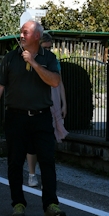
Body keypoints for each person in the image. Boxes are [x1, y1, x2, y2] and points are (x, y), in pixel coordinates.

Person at [0, 20, 66, 216]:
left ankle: (50, 205)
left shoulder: (49, 58)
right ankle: (18, 203)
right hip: (16, 117)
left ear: (37, 36)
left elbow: (55, 81)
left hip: (41, 117)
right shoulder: (10, 58)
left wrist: (34, 63)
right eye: (21, 32)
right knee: (15, 161)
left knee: (47, 160)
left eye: (26, 32)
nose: (21, 35)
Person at [26, 32, 68, 188]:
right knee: (32, 141)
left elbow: (60, 82)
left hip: (53, 100)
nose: (49, 50)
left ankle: (46, 177)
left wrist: (64, 103)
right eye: (46, 47)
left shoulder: (53, 61)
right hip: (36, 102)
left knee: (48, 142)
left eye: (50, 47)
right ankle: (31, 174)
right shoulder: (30, 60)